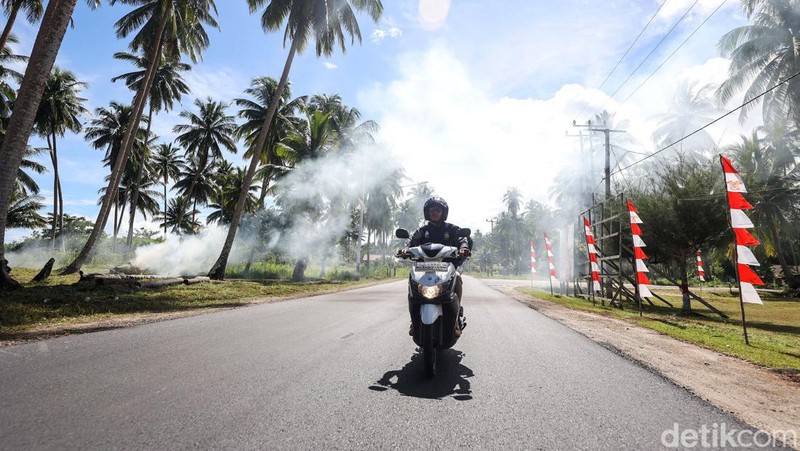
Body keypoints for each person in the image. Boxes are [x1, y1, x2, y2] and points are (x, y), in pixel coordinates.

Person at [401, 196, 472, 335]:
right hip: (423, 270)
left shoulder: (452, 229)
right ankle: (414, 322)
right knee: (411, 282)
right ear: (427, 212)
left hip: (446, 269)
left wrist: (464, 248)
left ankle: (457, 316)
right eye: (431, 209)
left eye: (438, 210)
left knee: (457, 278)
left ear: (443, 212)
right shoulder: (422, 231)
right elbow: (411, 242)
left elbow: (462, 239)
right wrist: (405, 249)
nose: (434, 212)